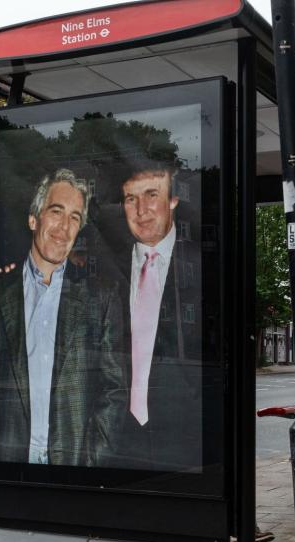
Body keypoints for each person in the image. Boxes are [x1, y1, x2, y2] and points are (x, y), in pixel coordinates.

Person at [0, 169, 125, 466]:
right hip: (13, 462)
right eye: (56, 211)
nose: (65, 227)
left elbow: (114, 390)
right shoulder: (1, 293)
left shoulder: (101, 298)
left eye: (75, 217)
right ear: (34, 219)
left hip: (74, 464)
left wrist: (92, 463)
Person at [112, 158, 202, 471]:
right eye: (130, 199)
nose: (141, 211)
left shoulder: (200, 267)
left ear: (173, 199)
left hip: (184, 434)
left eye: (152, 195)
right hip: (118, 436)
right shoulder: (108, 266)